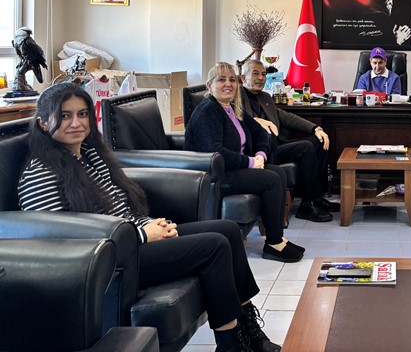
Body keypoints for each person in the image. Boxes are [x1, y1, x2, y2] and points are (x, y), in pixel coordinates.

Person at [17, 82, 282, 352]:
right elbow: (57, 237)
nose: (76, 123)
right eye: (65, 116)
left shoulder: (89, 154)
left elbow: (119, 208)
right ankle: (231, 346)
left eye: (82, 114)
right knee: (214, 246)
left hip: (132, 241)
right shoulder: (41, 172)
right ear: (43, 123)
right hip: (110, 261)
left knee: (227, 230)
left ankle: (249, 330)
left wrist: (151, 225)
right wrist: (143, 234)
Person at [184, 61, 305, 261]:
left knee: (279, 172)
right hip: (215, 176)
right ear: (210, 86)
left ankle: (277, 238)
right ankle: (273, 244)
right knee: (271, 179)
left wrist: (260, 155)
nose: (228, 84)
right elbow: (215, 152)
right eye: (221, 80)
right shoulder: (208, 111)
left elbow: (260, 133)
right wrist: (250, 162)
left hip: (233, 168)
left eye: (232, 80)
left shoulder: (232, 107)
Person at [241, 59, 337, 221]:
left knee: (319, 141)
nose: (261, 78)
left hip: (276, 144)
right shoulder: (236, 97)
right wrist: (256, 120)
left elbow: (285, 116)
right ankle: (306, 205)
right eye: (255, 74)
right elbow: (239, 118)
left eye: (263, 74)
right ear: (243, 78)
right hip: (259, 151)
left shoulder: (265, 97)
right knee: (306, 147)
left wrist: (315, 128)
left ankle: (317, 197)